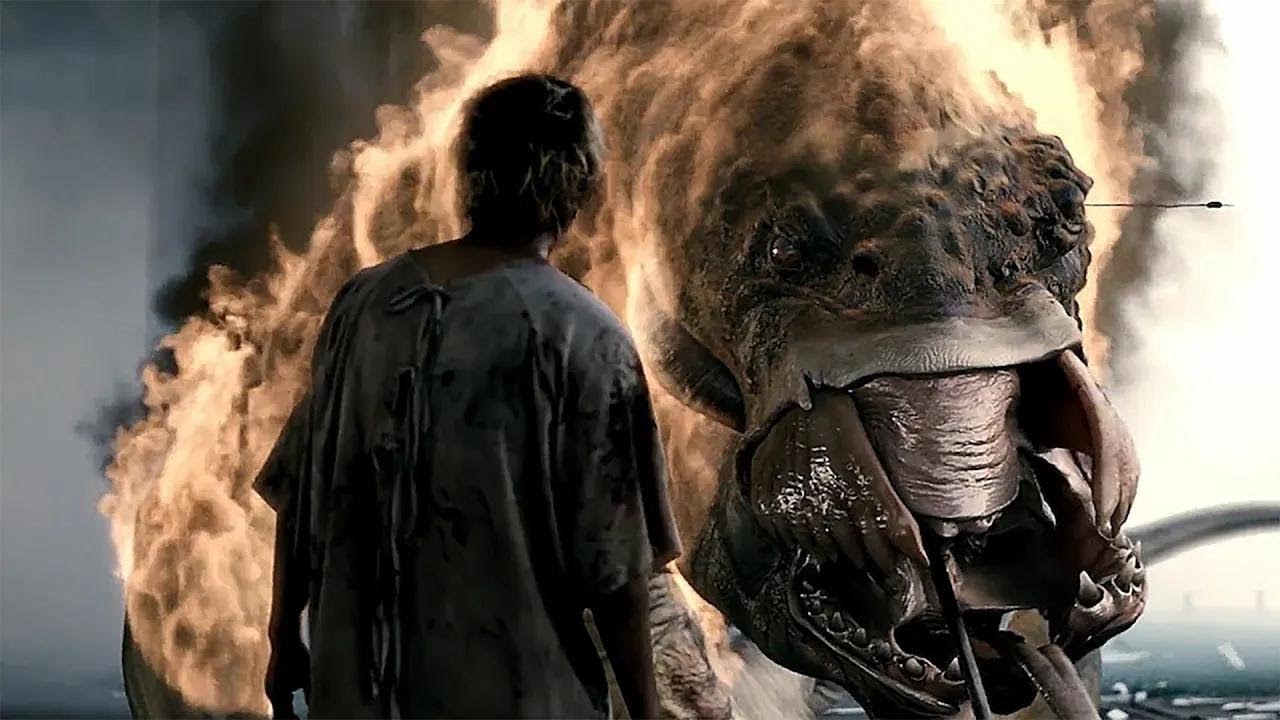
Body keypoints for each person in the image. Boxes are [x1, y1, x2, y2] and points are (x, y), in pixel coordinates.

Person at [256, 73, 681, 720]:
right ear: (579, 180)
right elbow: (618, 574)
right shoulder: (586, 337)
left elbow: (301, 494)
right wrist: (647, 712)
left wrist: (283, 636)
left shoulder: (365, 304)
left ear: (468, 171)